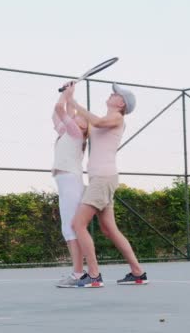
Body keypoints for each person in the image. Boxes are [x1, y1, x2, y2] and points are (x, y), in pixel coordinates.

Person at [62, 82, 148, 288]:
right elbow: (81, 120)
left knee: (77, 224)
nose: (112, 94)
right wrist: (69, 98)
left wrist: (73, 101)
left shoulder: (115, 118)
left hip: (102, 179)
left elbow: (98, 122)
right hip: (101, 179)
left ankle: (93, 275)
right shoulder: (103, 119)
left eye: (115, 94)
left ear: (121, 103)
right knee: (109, 229)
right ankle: (138, 272)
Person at [51, 85, 89, 288]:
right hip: (65, 182)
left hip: (70, 182)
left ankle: (78, 273)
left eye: (83, 117)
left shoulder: (76, 134)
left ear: (85, 127)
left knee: (71, 227)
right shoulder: (67, 132)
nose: (78, 117)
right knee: (69, 227)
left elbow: (61, 110)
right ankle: (79, 272)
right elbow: (57, 114)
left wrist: (66, 96)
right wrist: (70, 94)